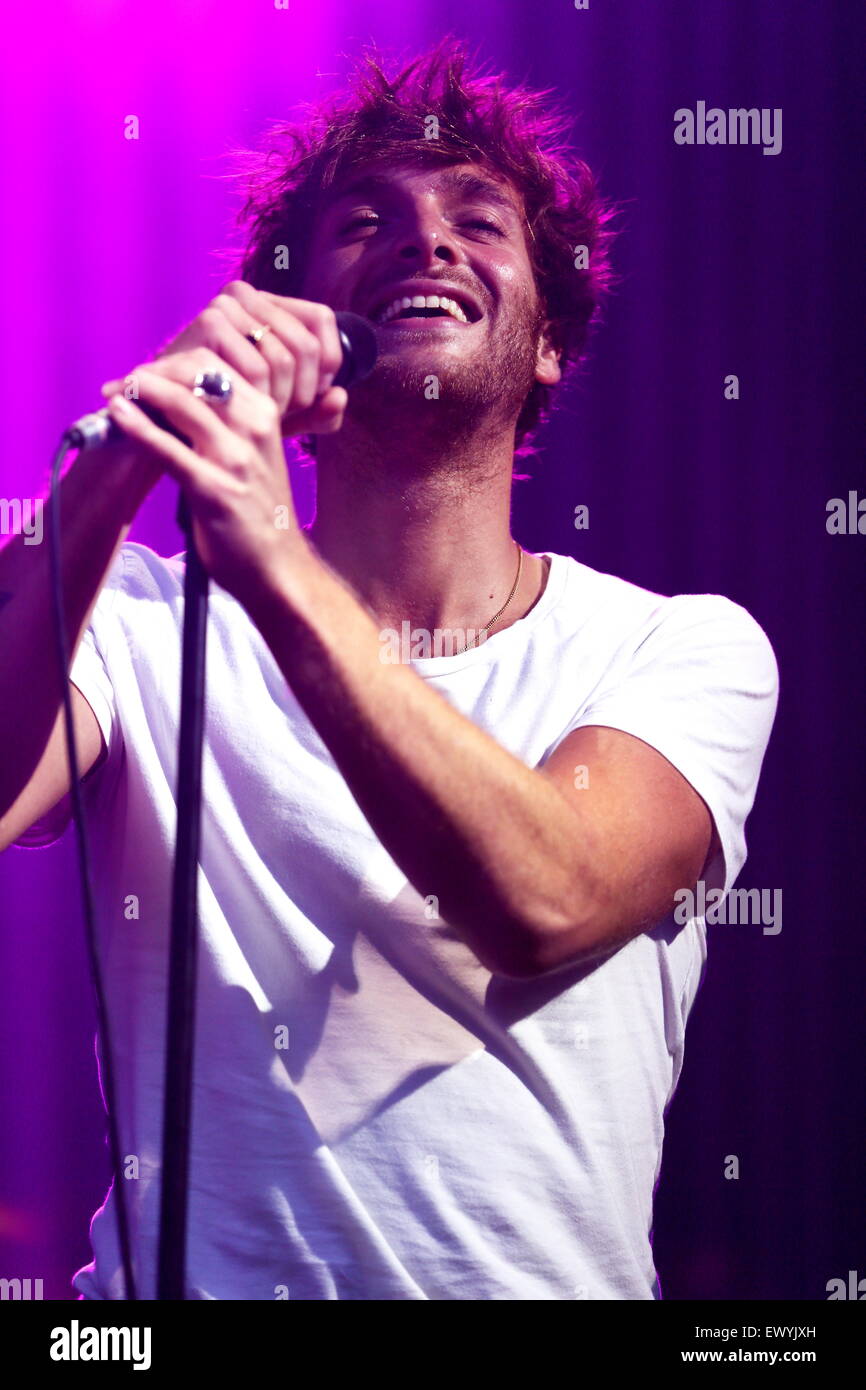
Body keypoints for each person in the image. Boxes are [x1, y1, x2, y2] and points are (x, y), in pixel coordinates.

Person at [0, 38, 778, 1300]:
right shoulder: (145, 616)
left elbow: (543, 900)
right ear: (298, 326)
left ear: (546, 348)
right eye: (365, 222)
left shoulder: (679, 645)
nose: (426, 241)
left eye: (480, 221)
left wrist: (265, 562)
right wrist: (118, 460)